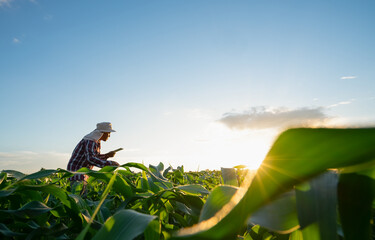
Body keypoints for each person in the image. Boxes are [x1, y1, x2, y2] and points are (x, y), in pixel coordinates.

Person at [67, 122, 120, 188]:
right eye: (108, 133)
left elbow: (94, 157)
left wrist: (107, 155)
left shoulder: (95, 141)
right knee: (79, 196)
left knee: (82, 196)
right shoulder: (91, 141)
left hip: (83, 174)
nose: (109, 136)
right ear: (102, 133)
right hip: (77, 174)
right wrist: (110, 164)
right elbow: (90, 159)